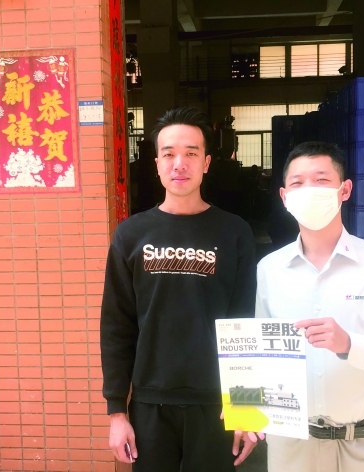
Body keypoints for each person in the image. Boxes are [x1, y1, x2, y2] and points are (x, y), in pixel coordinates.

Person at [101, 107, 261, 471]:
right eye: (169, 154)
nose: (179, 164)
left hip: (217, 403)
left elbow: (245, 321)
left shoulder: (234, 232)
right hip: (149, 403)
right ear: (157, 164)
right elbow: (116, 326)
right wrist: (117, 412)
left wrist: (246, 406)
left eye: (191, 153)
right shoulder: (131, 234)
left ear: (206, 163)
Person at [256, 141, 364, 472]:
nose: (309, 190)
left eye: (321, 180)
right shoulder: (269, 269)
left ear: (344, 190)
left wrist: (350, 344)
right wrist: (246, 407)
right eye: (297, 183)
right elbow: (261, 357)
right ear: (284, 197)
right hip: (292, 446)